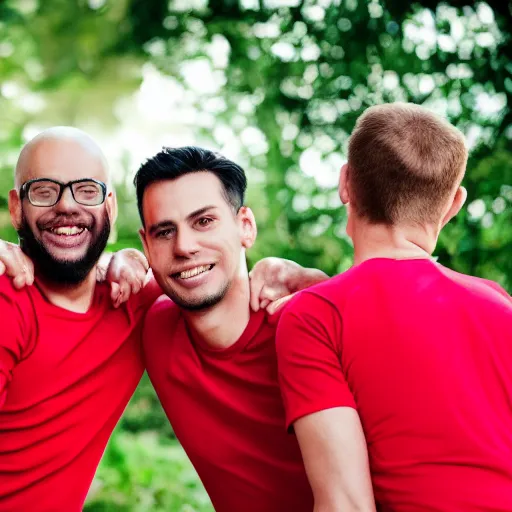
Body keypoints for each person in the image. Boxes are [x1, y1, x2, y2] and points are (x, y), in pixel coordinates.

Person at [0, 130, 322, 510]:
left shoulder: (139, 302)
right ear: (18, 208)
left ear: (110, 208)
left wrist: (323, 286)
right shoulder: (14, 301)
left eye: (85, 190)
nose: (184, 246)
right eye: (44, 190)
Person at [276, 103, 512, 511]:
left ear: (345, 183)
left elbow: (344, 504)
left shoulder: (316, 316)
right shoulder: (499, 304)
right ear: (454, 203)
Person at [134, 146, 376, 512]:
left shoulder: (310, 328)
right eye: (165, 232)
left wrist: (322, 286)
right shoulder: (152, 324)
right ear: (147, 246)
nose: (184, 247)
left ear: (245, 226)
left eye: (204, 222)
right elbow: (80, 273)